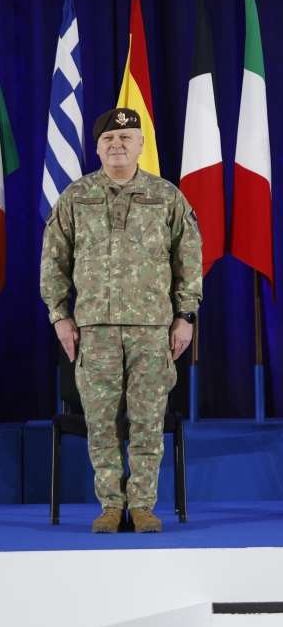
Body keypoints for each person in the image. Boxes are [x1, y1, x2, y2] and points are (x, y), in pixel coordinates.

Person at [40, 108, 202, 533]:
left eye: (125, 138)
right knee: (101, 423)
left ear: (140, 145)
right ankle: (111, 506)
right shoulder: (76, 197)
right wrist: (60, 316)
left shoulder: (166, 197)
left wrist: (185, 316)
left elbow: (188, 260)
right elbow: (53, 262)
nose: (117, 145)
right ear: (97, 148)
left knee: (148, 421)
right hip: (94, 329)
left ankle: (143, 505)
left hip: (152, 329)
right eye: (109, 139)